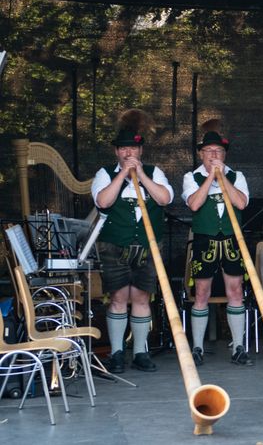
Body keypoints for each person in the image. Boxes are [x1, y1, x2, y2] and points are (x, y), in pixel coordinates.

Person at [91, 109, 173, 374]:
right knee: (117, 297)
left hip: (148, 245)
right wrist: (122, 175)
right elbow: (103, 202)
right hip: (114, 244)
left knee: (141, 297)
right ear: (117, 152)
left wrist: (142, 176)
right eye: (124, 149)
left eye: (133, 149)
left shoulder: (154, 172)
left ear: (141, 151)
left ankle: (140, 352)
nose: (129, 154)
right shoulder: (105, 173)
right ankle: (116, 353)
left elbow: (164, 199)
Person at [183, 119, 253, 366]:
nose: (214, 155)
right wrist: (209, 178)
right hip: (205, 239)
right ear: (201, 154)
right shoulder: (191, 177)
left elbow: (242, 203)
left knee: (235, 291)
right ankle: (198, 347)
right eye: (209, 151)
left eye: (219, 152)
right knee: (201, 292)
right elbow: (194, 204)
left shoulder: (237, 176)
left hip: (232, 240)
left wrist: (223, 179)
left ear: (224, 155)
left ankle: (238, 346)